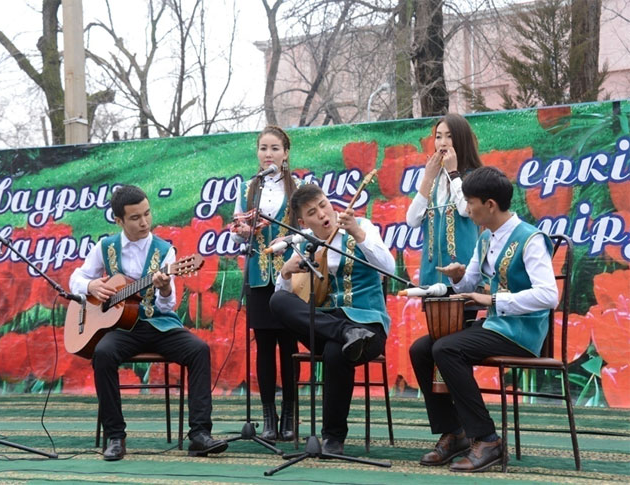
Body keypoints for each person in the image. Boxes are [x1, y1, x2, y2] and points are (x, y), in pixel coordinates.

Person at [409, 166, 558, 472]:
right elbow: (469, 284)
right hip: (495, 325)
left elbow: (548, 296)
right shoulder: (486, 238)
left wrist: (493, 300)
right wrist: (458, 276)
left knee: (447, 348)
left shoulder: (530, 239)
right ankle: (455, 432)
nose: (466, 208)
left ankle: (487, 439)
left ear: (490, 204)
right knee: (421, 349)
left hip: (522, 332)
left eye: (470, 201)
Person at [69, 185, 227, 461]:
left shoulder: (164, 251)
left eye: (147, 213)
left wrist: (164, 288)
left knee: (199, 350)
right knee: (103, 354)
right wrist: (91, 285)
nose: (144, 222)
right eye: (135, 217)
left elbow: (168, 306)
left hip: (159, 324)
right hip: (122, 329)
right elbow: (76, 278)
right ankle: (115, 436)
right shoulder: (105, 247)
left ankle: (200, 435)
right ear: (119, 220)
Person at [269, 184, 395, 455]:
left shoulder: (362, 226)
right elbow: (287, 298)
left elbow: (389, 268)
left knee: (336, 351)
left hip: (368, 327)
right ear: (304, 222)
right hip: (328, 325)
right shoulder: (303, 244)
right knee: (277, 300)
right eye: (312, 213)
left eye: (324, 205)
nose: (323, 214)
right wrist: (286, 273)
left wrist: (358, 233)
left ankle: (333, 438)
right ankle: (345, 331)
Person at [230, 125, 300, 442]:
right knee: (264, 346)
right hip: (259, 276)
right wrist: (243, 232)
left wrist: (287, 240)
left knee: (289, 345)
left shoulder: (299, 186)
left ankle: (290, 415)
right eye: (263, 148)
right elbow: (236, 231)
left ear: (285, 153)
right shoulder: (248, 187)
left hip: (290, 275)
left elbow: (309, 229)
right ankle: (268, 416)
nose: (268, 154)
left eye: (274, 148)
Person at [406, 113, 482, 296]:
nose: (442, 143)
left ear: (461, 140)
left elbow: (466, 210)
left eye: (449, 136)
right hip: (431, 278)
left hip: (462, 277)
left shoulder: (474, 175)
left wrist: (453, 173)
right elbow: (412, 220)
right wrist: (428, 177)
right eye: (438, 137)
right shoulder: (433, 179)